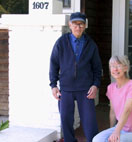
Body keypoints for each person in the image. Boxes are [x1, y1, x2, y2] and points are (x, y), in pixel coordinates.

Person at [49, 12, 102, 142]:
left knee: (89, 121)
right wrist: (53, 85)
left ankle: (93, 140)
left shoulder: (91, 44)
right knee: (66, 120)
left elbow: (97, 68)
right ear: (70, 25)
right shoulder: (61, 42)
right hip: (66, 88)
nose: (78, 27)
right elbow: (54, 64)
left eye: (81, 24)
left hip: (86, 89)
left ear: (85, 26)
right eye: (75, 24)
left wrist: (95, 85)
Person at [93, 55, 132, 142]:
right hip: (121, 129)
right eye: (112, 66)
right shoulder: (111, 88)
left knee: (117, 141)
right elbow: (113, 112)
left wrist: (116, 132)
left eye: (118, 66)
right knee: (97, 139)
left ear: (125, 68)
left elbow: (127, 110)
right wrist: (112, 131)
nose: (115, 69)